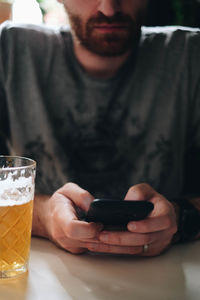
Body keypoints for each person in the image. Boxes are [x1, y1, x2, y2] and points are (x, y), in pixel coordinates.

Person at [0, 0, 200, 256]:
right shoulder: (10, 51)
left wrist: (181, 218)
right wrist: (43, 217)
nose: (109, 8)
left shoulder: (189, 57)